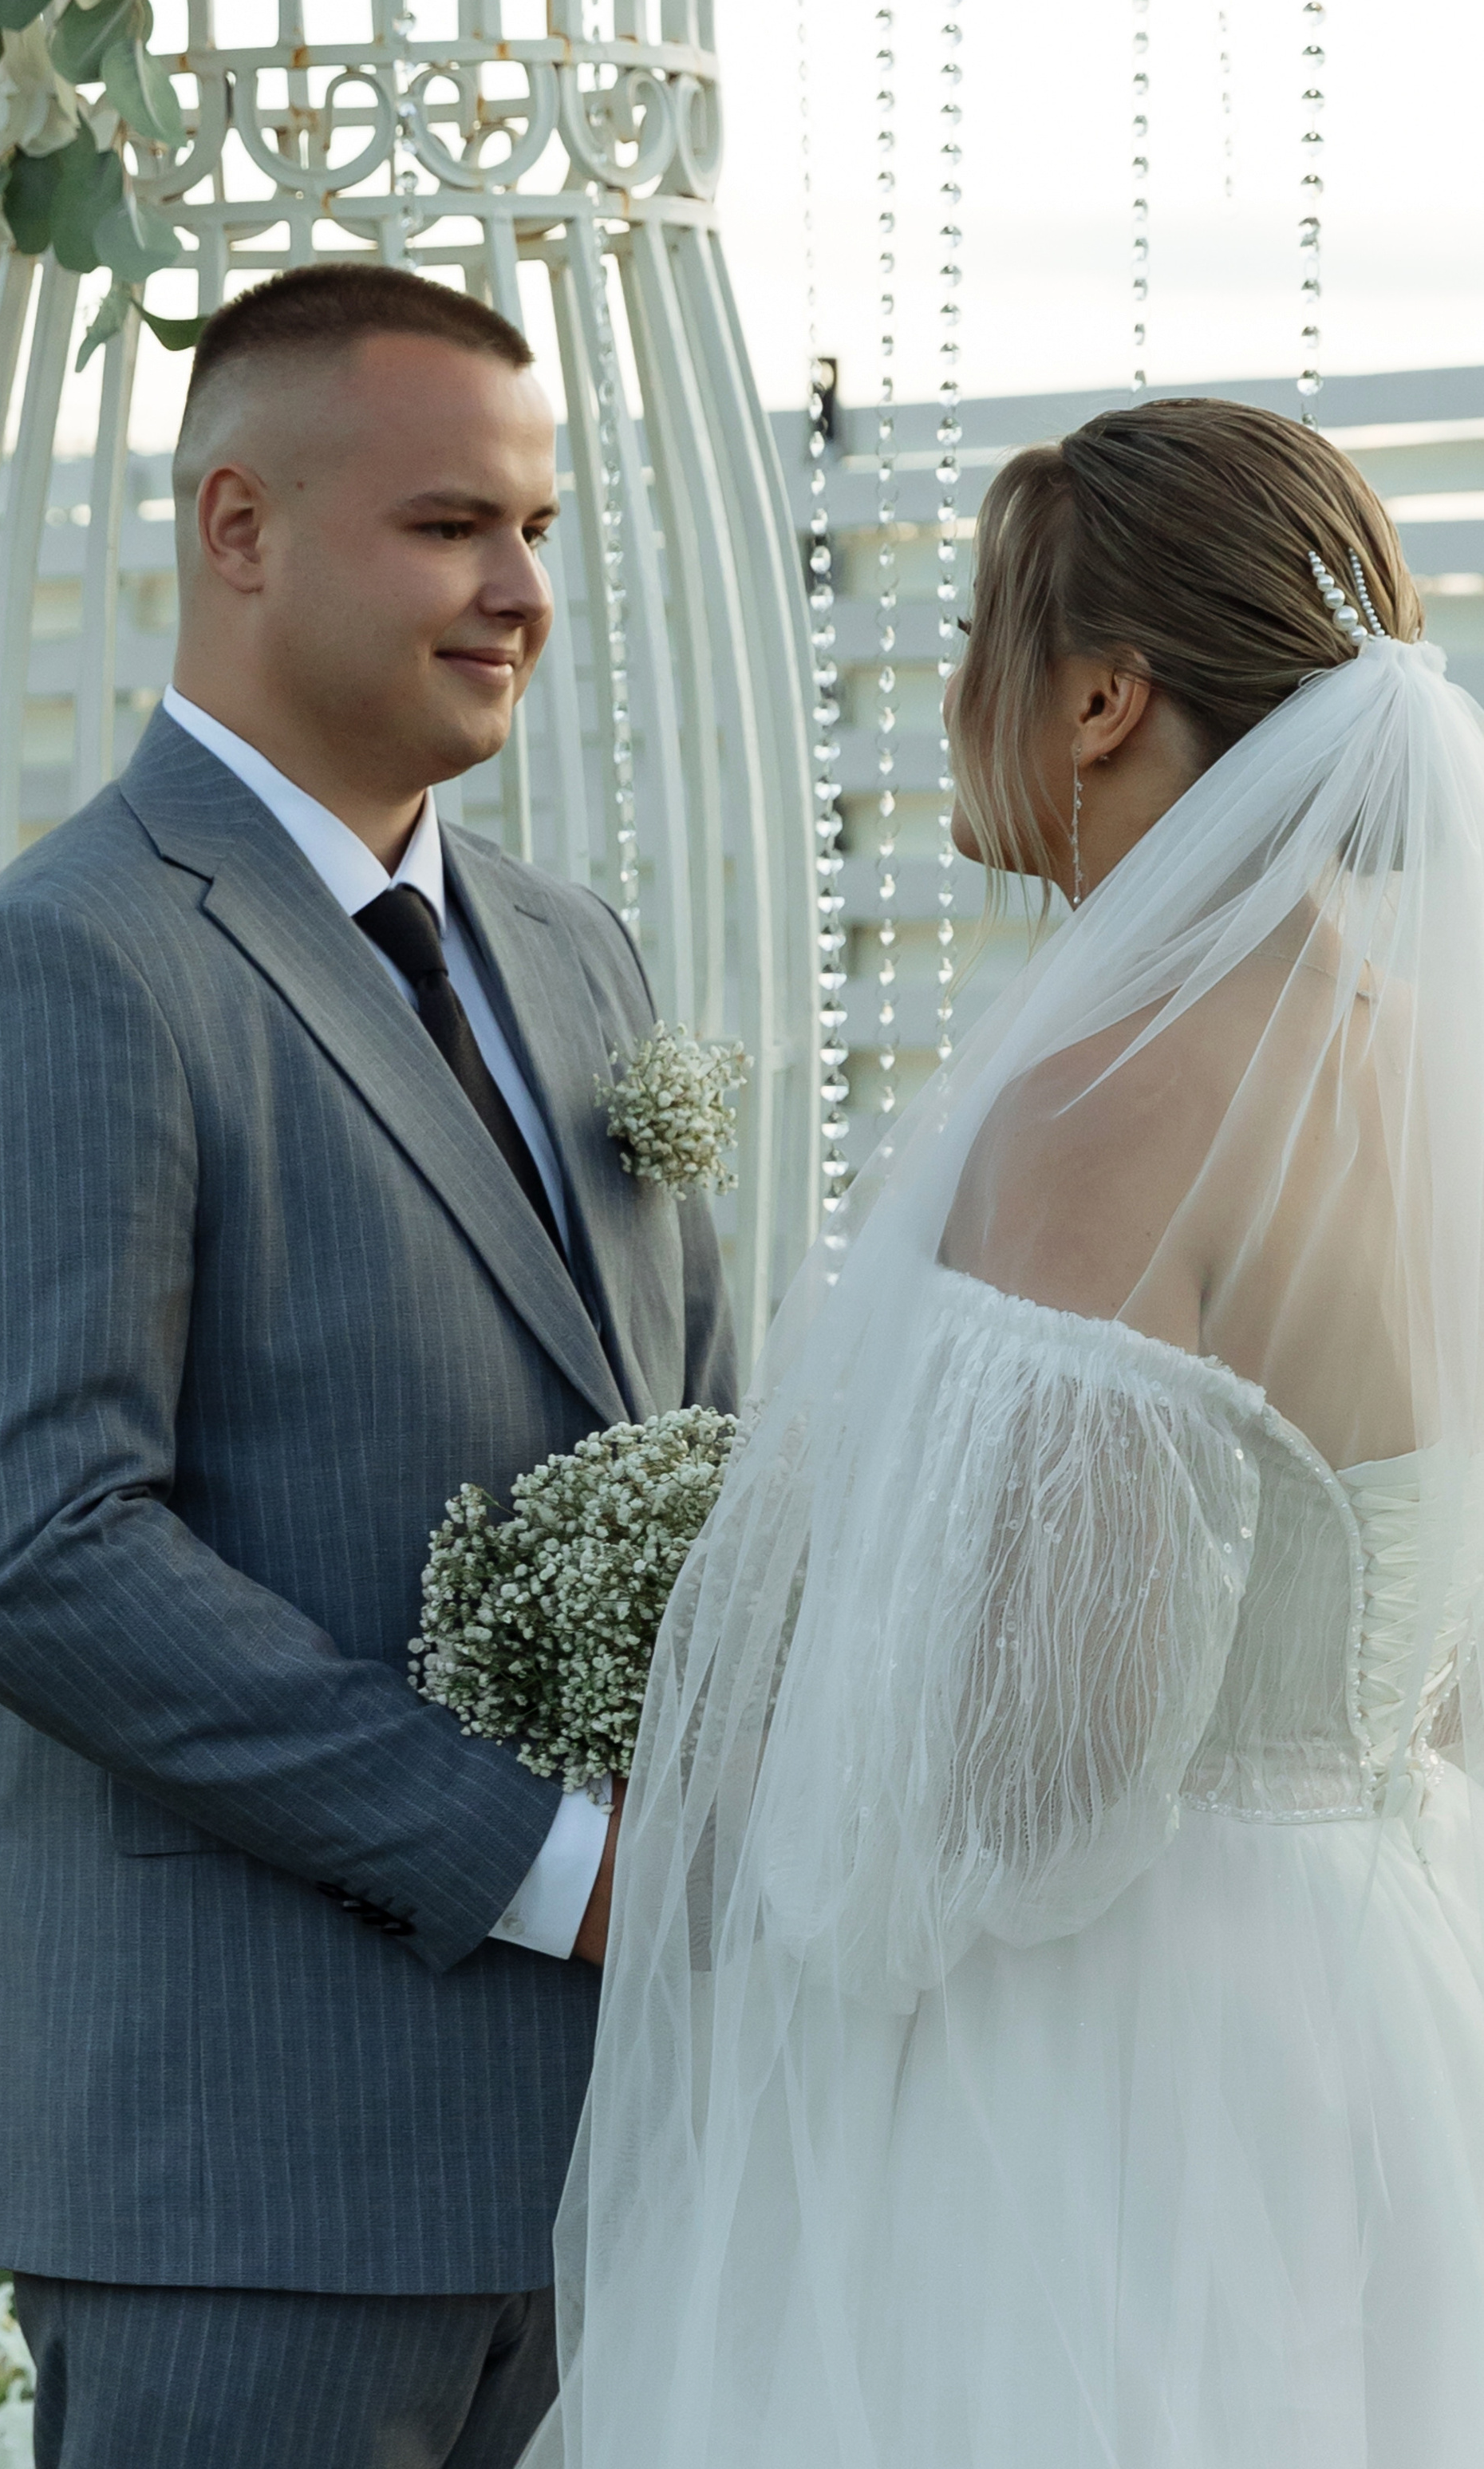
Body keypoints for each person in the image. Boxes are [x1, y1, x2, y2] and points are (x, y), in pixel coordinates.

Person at [534, 398, 1484, 2467]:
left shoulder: (1121, 1088)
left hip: (1116, 2056)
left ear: (1099, 700)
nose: (954, 691)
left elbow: (1047, 1762)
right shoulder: (1418, 1061)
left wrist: (762, 1797)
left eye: (980, 635)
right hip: (1386, 1988)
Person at [0, 262, 736, 2469]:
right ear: (238, 527)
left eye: (538, 530)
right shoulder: (76, 963)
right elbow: (31, 1550)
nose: (519, 590)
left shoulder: (573, 948)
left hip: (626, 2168)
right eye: (454, 526)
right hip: (255, 2166)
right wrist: (551, 1861)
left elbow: (694, 1436)